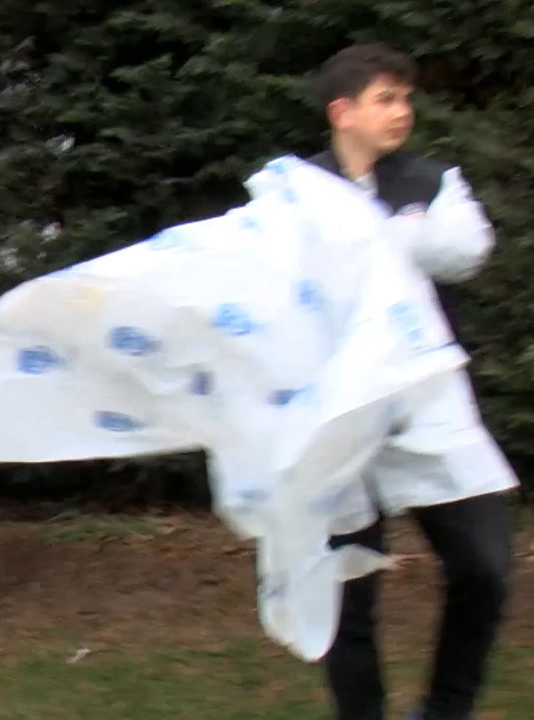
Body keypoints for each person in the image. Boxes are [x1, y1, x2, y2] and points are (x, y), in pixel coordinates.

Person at [304, 43, 517, 720]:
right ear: (344, 112)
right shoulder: (290, 189)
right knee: (347, 588)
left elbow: (466, 249)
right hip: (336, 416)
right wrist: (396, 236)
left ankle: (446, 710)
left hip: (428, 411)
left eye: (407, 98)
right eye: (387, 99)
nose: (404, 112)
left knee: (486, 566)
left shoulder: (432, 180)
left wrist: (365, 237)